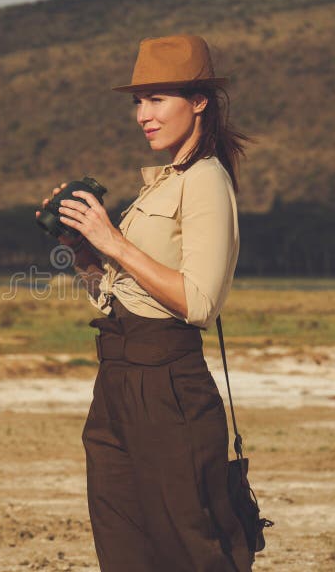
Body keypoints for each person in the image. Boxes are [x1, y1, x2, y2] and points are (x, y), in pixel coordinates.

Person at [37, 35, 252, 571]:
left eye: (157, 99)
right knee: (122, 543)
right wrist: (84, 252)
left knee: (188, 545)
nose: (143, 115)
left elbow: (199, 301)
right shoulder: (158, 186)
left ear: (198, 101)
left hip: (167, 382)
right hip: (115, 374)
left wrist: (113, 241)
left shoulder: (205, 181)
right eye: (138, 101)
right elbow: (121, 290)